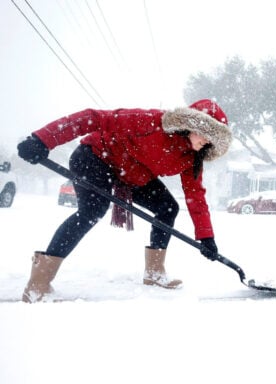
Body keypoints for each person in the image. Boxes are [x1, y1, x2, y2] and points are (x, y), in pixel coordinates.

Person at [17, 99, 232, 303]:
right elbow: (92, 117)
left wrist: (206, 237)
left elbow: (195, 195)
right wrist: (43, 139)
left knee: (167, 207)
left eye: (212, 139)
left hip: (129, 173)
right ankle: (38, 284)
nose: (207, 141)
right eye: (204, 133)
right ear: (189, 124)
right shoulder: (152, 122)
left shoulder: (192, 157)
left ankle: (155, 273)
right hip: (94, 156)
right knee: (93, 210)